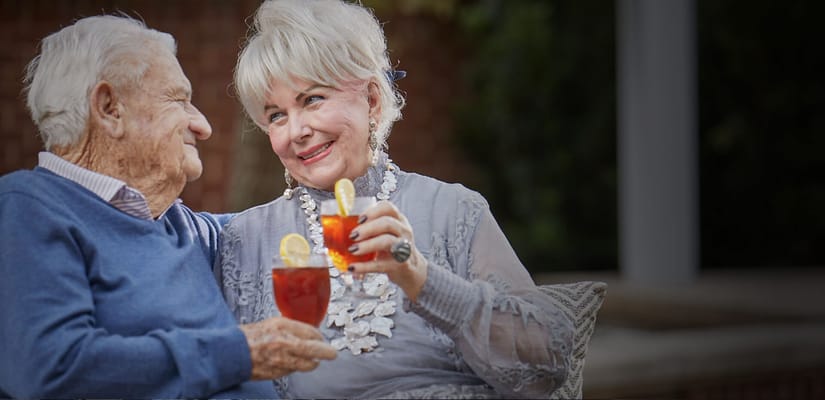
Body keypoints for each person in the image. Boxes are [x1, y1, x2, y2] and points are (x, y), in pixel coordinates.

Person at [216, 0, 574, 398]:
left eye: (312, 99)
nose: (296, 130)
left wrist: (419, 276)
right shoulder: (244, 239)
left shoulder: (453, 210)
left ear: (371, 99)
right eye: (276, 115)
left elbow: (547, 365)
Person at [0, 14, 336, 398]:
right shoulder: (28, 208)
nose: (203, 126)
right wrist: (239, 353)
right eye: (179, 100)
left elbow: (300, 220)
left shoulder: (184, 226)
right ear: (110, 108)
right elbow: (50, 370)